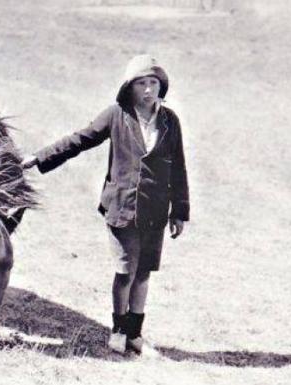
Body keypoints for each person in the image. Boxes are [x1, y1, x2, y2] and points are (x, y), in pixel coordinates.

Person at [22, 55, 189, 355]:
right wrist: (41, 157)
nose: (148, 89)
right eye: (141, 83)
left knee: (143, 274)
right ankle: (118, 329)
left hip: (155, 212)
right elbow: (81, 139)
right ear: (130, 87)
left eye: (153, 83)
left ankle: (135, 335)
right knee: (125, 272)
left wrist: (179, 211)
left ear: (161, 86)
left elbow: (178, 168)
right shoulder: (116, 115)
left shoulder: (170, 121)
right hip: (121, 208)